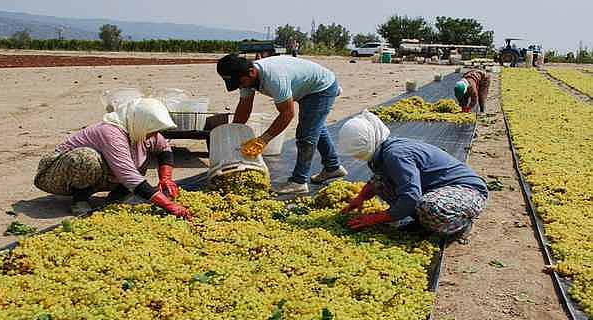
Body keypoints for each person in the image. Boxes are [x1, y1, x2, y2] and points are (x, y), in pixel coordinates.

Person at [337, 111, 488, 242]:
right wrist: (360, 198)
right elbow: (376, 181)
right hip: (434, 188)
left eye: (357, 152)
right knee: (380, 182)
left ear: (369, 141)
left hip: (467, 190)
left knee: (431, 207)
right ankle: (424, 222)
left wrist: (374, 218)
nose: (356, 157)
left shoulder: (396, 154)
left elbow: (411, 196)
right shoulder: (382, 153)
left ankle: (461, 224)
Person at [34, 97, 192, 219]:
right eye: (152, 130)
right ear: (142, 121)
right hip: (55, 174)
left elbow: (164, 149)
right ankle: (79, 199)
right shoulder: (111, 132)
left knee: (139, 154)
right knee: (86, 158)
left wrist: (166, 178)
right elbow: (128, 175)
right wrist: (169, 205)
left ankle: (118, 195)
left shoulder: (140, 130)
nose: (154, 134)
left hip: (99, 175)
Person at [216, 53, 347, 194]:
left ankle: (299, 181)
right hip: (305, 86)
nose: (240, 86)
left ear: (252, 72)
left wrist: (263, 140)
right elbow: (244, 106)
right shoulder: (245, 77)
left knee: (306, 135)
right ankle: (333, 168)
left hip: (321, 88)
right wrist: (234, 134)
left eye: (240, 83)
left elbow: (287, 113)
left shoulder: (275, 78)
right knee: (315, 127)